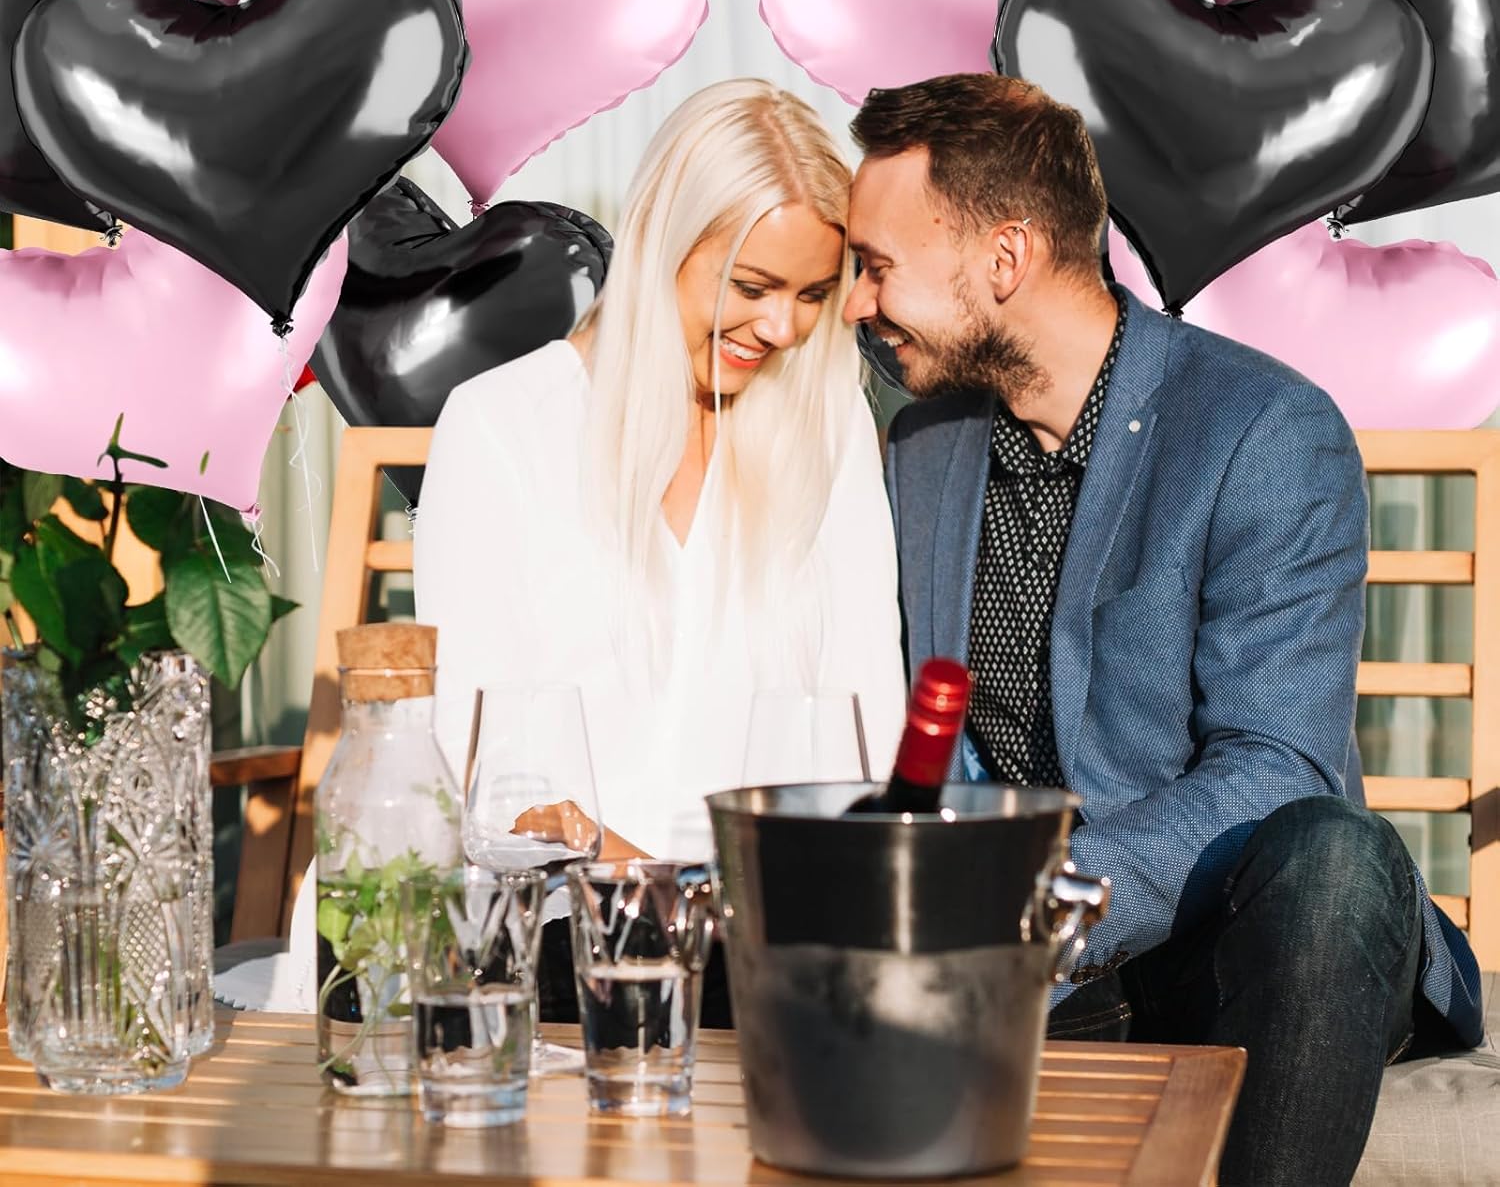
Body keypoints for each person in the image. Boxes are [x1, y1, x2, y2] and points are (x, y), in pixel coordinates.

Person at [841, 73, 1483, 1187]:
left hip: (1245, 943)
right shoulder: (925, 446)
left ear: (1005, 258)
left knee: (1334, 855)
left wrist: (1038, 903)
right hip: (1038, 977)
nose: (858, 302)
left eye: (878, 266)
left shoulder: (1262, 430)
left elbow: (1275, 769)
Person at [414, 78, 907, 1020]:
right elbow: (480, 765)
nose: (783, 328)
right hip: (560, 933)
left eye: (812, 293)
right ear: (661, 248)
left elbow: (866, 732)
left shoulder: (830, 425)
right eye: (751, 287)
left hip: (775, 940)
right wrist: (655, 887)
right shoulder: (503, 426)